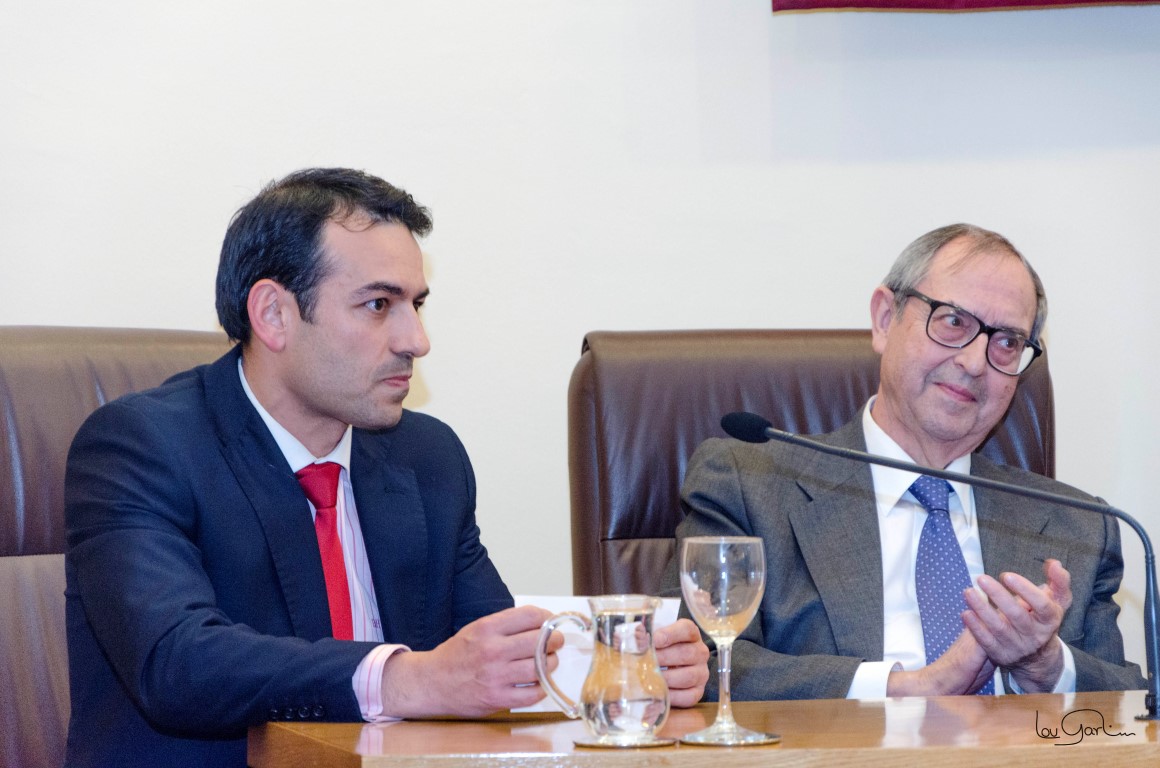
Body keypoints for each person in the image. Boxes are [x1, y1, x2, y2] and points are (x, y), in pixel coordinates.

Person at [64, 168, 708, 767]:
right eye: (378, 305)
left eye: (416, 305)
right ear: (273, 314)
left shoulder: (426, 458)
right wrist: (406, 678)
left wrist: (621, 670)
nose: (415, 340)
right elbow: (177, 662)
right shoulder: (145, 447)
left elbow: (487, 656)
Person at [667, 223, 1145, 701]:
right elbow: (699, 666)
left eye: (1006, 343)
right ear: (884, 318)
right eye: (953, 321)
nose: (975, 362)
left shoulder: (1079, 527)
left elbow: (1134, 707)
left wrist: (1046, 666)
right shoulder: (750, 483)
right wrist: (908, 687)